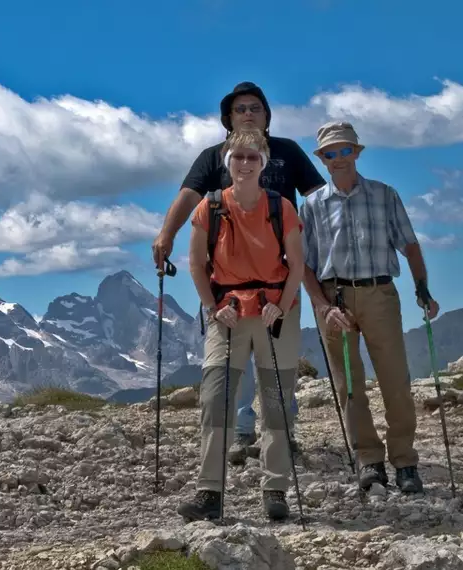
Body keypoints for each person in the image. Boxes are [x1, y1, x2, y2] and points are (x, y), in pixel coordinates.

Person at [152, 81, 325, 459]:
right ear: (228, 118)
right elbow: (189, 196)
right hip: (227, 282)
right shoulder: (213, 156)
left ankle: (281, 433)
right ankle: (244, 431)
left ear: (266, 115)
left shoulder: (288, 152)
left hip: (279, 279)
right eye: (240, 108)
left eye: (255, 108)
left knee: (278, 360)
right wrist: (167, 234)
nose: (248, 113)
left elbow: (319, 198)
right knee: (238, 360)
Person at [299, 120, 440, 494]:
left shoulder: (384, 194)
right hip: (334, 301)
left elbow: (409, 245)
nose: (339, 158)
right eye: (331, 153)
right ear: (323, 159)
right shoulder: (311, 207)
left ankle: (406, 462)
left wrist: (422, 288)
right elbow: (304, 265)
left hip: (380, 294)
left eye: (346, 150)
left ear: (357, 153)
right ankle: (369, 462)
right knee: (349, 386)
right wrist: (322, 306)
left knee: (395, 381)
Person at [177, 127, 305, 522]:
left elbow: (297, 265)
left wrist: (281, 306)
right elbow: (197, 265)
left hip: (273, 313)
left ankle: (276, 489)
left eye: (253, 157)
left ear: (263, 162)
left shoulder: (280, 207)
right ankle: (210, 492)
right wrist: (214, 307)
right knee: (216, 399)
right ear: (227, 162)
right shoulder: (210, 208)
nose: (245, 164)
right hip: (228, 313)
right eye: (238, 157)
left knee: (275, 402)